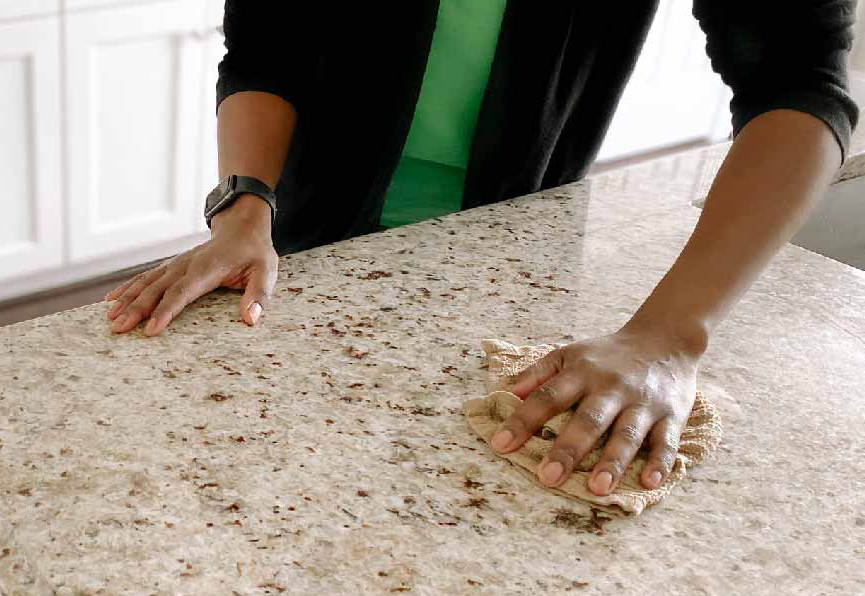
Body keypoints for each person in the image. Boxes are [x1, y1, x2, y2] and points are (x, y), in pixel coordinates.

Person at [104, 1, 858, 500]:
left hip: (515, 252)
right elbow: (270, 43)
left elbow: (798, 78)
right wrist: (244, 206)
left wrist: (670, 335)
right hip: (308, 240)